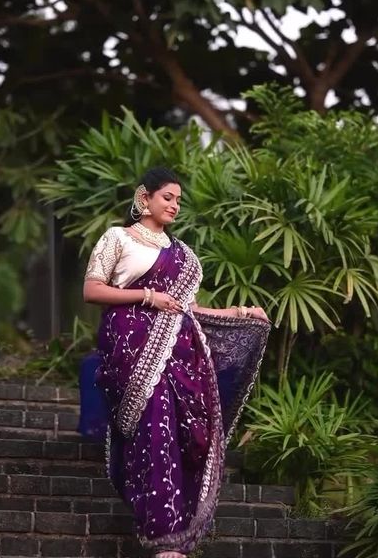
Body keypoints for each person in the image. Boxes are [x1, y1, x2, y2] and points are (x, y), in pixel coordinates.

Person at [79, 167, 270, 558]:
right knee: (153, 428)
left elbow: (188, 308)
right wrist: (147, 297)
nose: (175, 205)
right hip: (129, 349)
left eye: (179, 200)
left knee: (179, 432)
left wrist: (240, 312)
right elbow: (92, 290)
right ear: (144, 198)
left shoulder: (182, 255)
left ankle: (174, 535)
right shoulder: (118, 238)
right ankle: (162, 535)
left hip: (178, 353)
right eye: (167, 197)